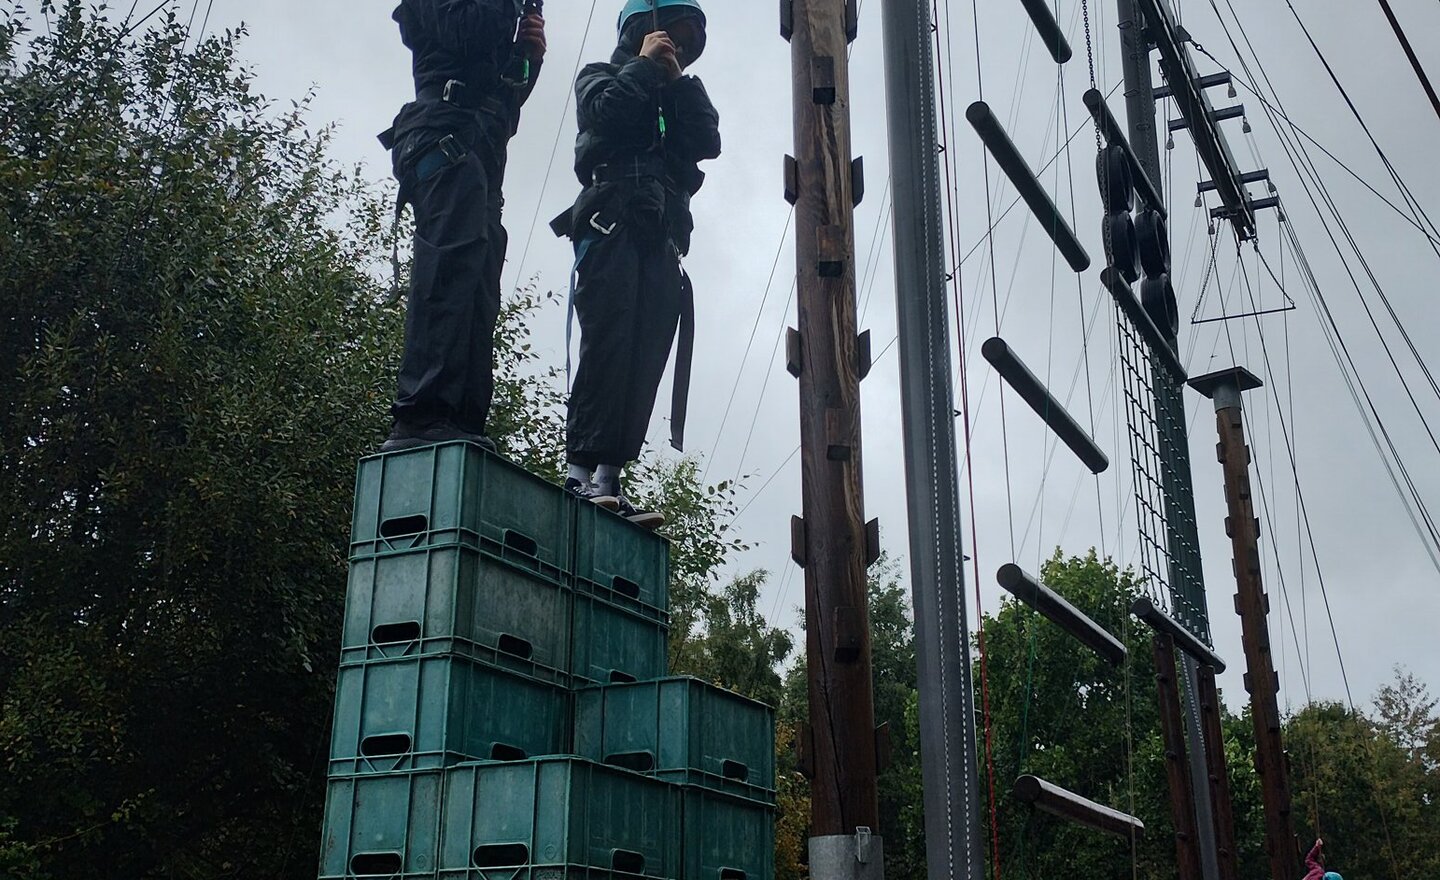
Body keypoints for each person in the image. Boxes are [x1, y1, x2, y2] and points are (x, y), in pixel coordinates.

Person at [552, 0, 720, 527]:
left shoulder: (676, 96)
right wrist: (645, 66)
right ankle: (577, 474)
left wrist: (677, 83)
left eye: (687, 42)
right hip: (613, 219)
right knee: (609, 342)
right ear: (640, 30)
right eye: (673, 35)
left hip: (662, 233)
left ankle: (608, 478)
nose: (680, 47)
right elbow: (604, 114)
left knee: (645, 353)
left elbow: (707, 142)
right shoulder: (601, 76)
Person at [379, 1, 548, 453]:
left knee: (477, 285)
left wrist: (528, 56)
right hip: (443, 134)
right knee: (450, 268)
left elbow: (503, 96)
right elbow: (472, 31)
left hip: (478, 148)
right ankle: (422, 414)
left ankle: (462, 417)